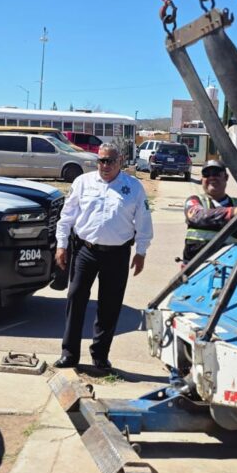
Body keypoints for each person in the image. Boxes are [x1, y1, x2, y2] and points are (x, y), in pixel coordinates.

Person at [53, 143, 153, 371]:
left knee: (109, 306)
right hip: (85, 251)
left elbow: (144, 222)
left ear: (120, 162)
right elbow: (66, 217)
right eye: (101, 160)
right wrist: (61, 245)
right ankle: (69, 354)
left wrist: (141, 252)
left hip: (117, 254)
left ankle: (100, 355)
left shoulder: (134, 187)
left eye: (109, 161)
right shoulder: (83, 183)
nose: (104, 165)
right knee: (75, 298)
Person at [182, 159, 237, 265]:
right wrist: (233, 212)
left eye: (216, 173)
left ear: (226, 177)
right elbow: (198, 216)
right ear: (202, 179)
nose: (211, 177)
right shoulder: (194, 201)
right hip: (194, 271)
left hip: (229, 271)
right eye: (206, 174)